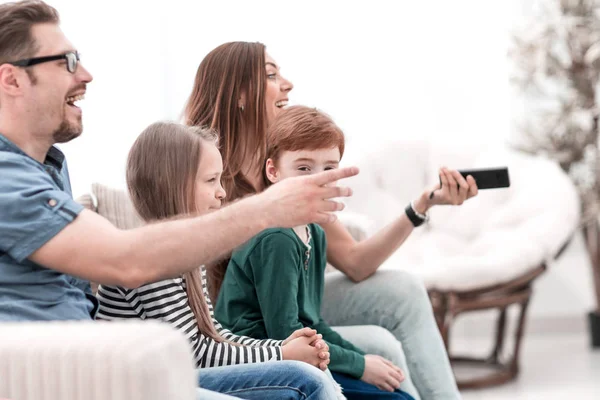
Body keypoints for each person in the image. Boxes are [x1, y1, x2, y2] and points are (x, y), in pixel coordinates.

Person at [0, 2, 357, 399]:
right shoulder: (6, 179)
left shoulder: (48, 168)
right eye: (66, 61)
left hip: (94, 362)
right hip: (65, 373)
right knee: (303, 381)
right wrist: (268, 208)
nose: (85, 74)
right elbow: (125, 261)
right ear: (12, 79)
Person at [184, 41, 478, 400]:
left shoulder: (294, 172)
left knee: (404, 289)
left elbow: (354, 261)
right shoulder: (206, 179)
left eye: (327, 166)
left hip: (291, 310)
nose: (288, 84)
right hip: (253, 329)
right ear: (239, 94)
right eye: (272, 75)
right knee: (379, 346)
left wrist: (421, 206)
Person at [96, 121, 345, 399]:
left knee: (310, 371)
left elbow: (214, 336)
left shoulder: (188, 256)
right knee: (303, 379)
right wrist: (281, 353)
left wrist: (281, 346)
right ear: (174, 184)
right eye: (211, 180)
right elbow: (194, 354)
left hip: (180, 370)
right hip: (145, 383)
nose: (222, 192)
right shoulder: (152, 261)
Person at [216, 106, 419, 400]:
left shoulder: (315, 231)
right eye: (303, 168)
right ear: (272, 171)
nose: (318, 180)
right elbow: (286, 334)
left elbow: (314, 322)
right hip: (263, 362)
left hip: (300, 351)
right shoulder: (278, 238)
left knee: (392, 382)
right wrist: (360, 365)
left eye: (329, 168)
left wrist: (364, 362)